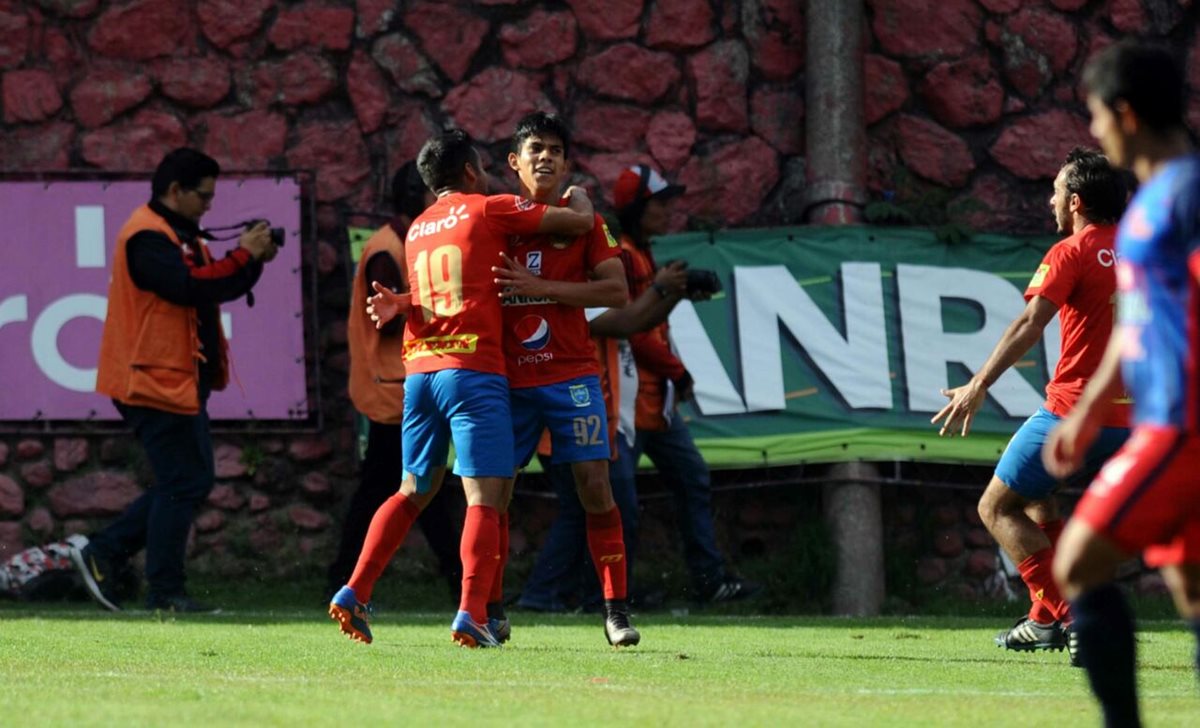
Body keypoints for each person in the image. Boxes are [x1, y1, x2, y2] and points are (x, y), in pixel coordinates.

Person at [328, 129, 596, 647]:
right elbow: (578, 222)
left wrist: (402, 305)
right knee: (485, 497)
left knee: (411, 490)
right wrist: (579, 195)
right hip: (472, 372)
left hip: (419, 372)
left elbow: (447, 288)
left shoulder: (418, 228)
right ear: (472, 172)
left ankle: (355, 589)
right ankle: (473, 613)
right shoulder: (489, 208)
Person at [1043, 41, 1200, 727]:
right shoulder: (1145, 209)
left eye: (1096, 115)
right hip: (1163, 421)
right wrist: (1086, 415)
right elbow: (1134, 324)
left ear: (1127, 113)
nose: (1095, 131)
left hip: (1182, 427)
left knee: (1076, 563)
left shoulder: (1189, 194)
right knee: (1192, 591)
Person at [931, 148, 1130, 657]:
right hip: (1135, 421)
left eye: (1057, 191)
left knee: (995, 507)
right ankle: (1044, 619)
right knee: (1037, 498)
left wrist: (978, 384)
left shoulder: (1071, 251)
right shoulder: (1143, 251)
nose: (1051, 200)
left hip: (1074, 415)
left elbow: (1028, 324)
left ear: (1077, 202)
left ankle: (1075, 616)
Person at [71, 147, 279, 613]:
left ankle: (109, 553)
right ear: (175, 191)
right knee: (183, 481)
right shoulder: (146, 236)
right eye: (203, 196)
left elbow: (212, 284)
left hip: (172, 378)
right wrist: (245, 256)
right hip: (150, 379)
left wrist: (252, 260)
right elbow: (188, 288)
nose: (209, 205)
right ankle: (155, 585)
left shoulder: (176, 232)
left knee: (187, 479)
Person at [488, 111, 637, 646]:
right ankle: (491, 609)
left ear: (567, 161)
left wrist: (539, 286)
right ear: (514, 163)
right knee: (494, 494)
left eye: (555, 149)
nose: (545, 157)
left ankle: (615, 610)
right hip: (507, 381)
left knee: (595, 488)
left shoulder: (588, 222)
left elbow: (616, 293)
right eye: (535, 150)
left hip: (572, 377)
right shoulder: (495, 221)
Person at [612, 164, 760, 603]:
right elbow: (631, 330)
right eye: (659, 203)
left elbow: (649, 320)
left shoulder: (642, 252)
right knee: (620, 504)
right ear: (637, 209)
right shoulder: (622, 256)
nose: (667, 210)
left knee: (691, 476)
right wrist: (678, 370)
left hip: (656, 399)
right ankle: (614, 593)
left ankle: (709, 581)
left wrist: (677, 291)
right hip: (629, 398)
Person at [517, 259, 692, 614]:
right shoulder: (574, 300)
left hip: (586, 424)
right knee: (590, 511)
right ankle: (556, 595)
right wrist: (660, 290)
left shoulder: (578, 296)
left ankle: (576, 595)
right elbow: (631, 321)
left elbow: (636, 323)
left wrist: (671, 296)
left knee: (589, 511)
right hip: (569, 426)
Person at [325, 161, 463, 603]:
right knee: (414, 490)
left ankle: (347, 578)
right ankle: (347, 579)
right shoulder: (388, 248)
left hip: (404, 385)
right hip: (392, 389)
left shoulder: (406, 242)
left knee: (415, 489)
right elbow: (383, 321)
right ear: (417, 197)